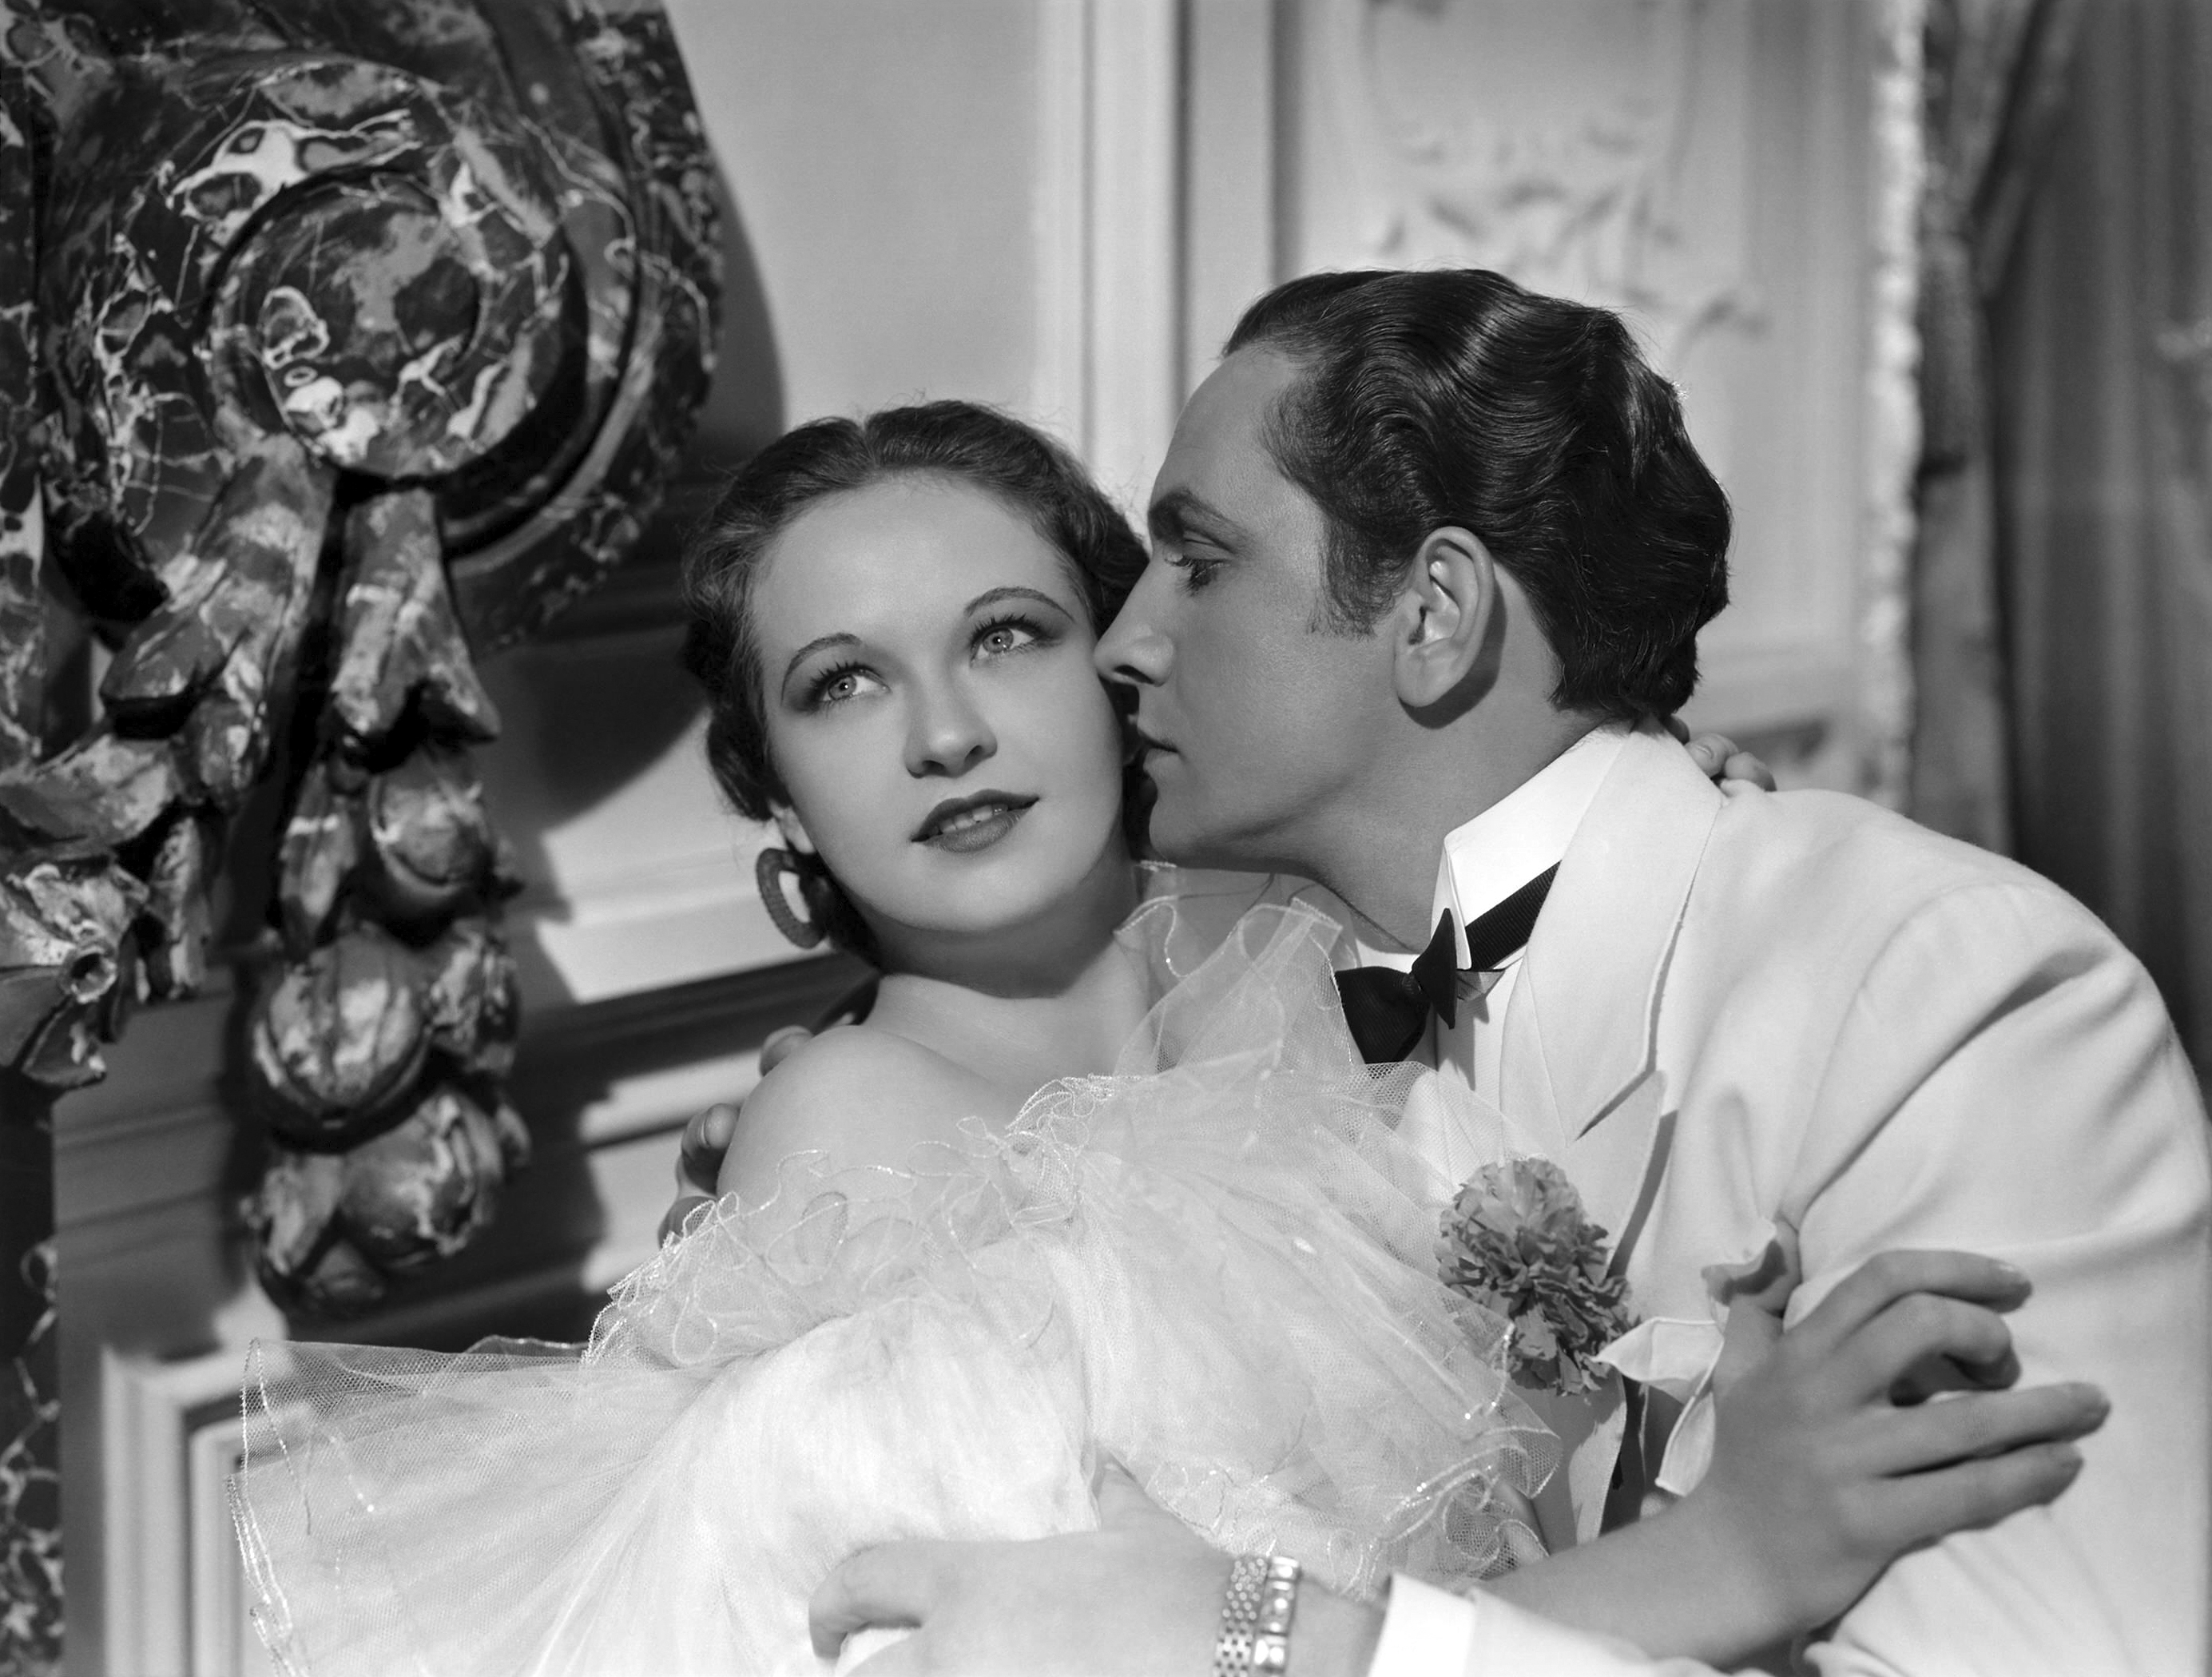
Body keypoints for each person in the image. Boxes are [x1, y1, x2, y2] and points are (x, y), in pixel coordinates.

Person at [236, 403, 2097, 1677]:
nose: (944, 734)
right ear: (784, 803)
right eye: (843, 684)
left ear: (1129, 663)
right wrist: (1715, 1565)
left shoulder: (1321, 976)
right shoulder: (858, 1138)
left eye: (1006, 637)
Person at [680, 274, 2211, 1676]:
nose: (1124, 648)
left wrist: (1276, 1642)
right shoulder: (933, 1111)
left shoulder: (1931, 997)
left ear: (1433, 614)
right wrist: (1705, 1565)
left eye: (1191, 567)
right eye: (842, 682)